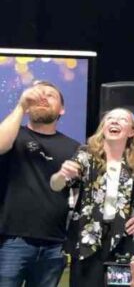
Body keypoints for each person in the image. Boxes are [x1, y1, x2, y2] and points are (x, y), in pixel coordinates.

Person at [51, 108, 134, 286]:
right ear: (103, 127)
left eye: (122, 119)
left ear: (132, 132)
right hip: (87, 237)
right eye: (110, 118)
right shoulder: (85, 154)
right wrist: (62, 175)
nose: (114, 121)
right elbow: (56, 185)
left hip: (124, 239)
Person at [0, 81, 81, 287]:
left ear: (62, 109)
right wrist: (21, 105)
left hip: (54, 244)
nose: (43, 98)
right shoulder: (13, 135)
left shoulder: (74, 148)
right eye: (38, 95)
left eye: (50, 95)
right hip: (10, 241)